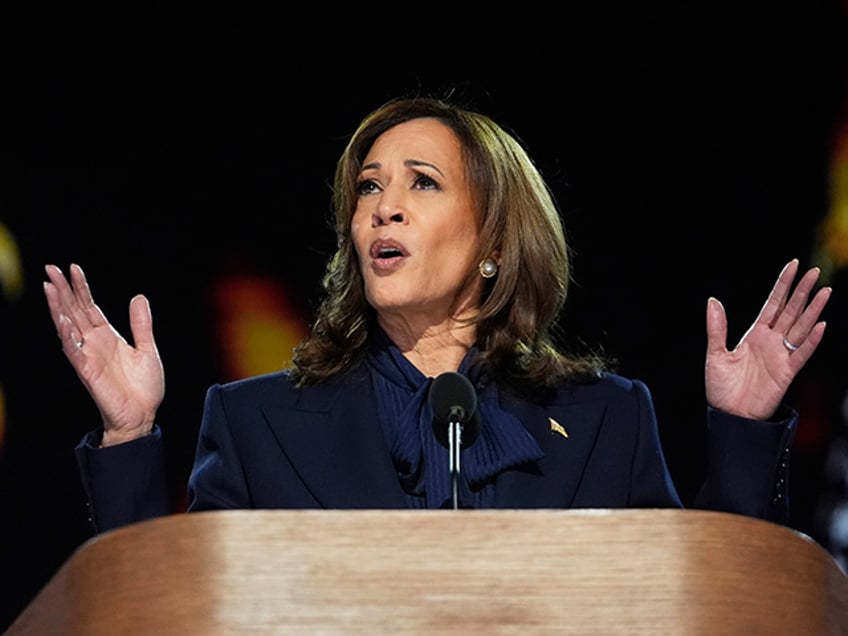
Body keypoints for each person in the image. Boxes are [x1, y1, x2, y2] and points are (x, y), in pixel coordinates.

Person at [43, 96, 831, 535]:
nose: (383, 208)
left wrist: (744, 433)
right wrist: (127, 436)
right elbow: (161, 613)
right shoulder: (253, 421)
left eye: (421, 182)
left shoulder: (605, 421)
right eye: (367, 188)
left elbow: (706, 610)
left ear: (492, 236)